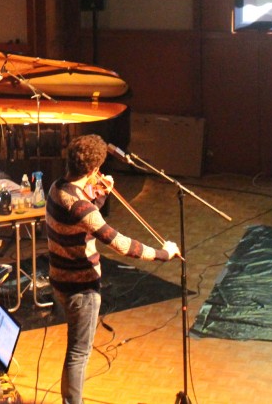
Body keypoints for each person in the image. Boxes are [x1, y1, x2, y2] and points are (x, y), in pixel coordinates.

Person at [45, 134, 181, 404]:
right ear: (95, 169)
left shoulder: (57, 188)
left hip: (59, 280)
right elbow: (119, 243)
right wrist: (163, 253)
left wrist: (100, 197)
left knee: (75, 350)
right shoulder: (81, 206)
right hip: (80, 289)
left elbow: (84, 221)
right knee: (78, 354)